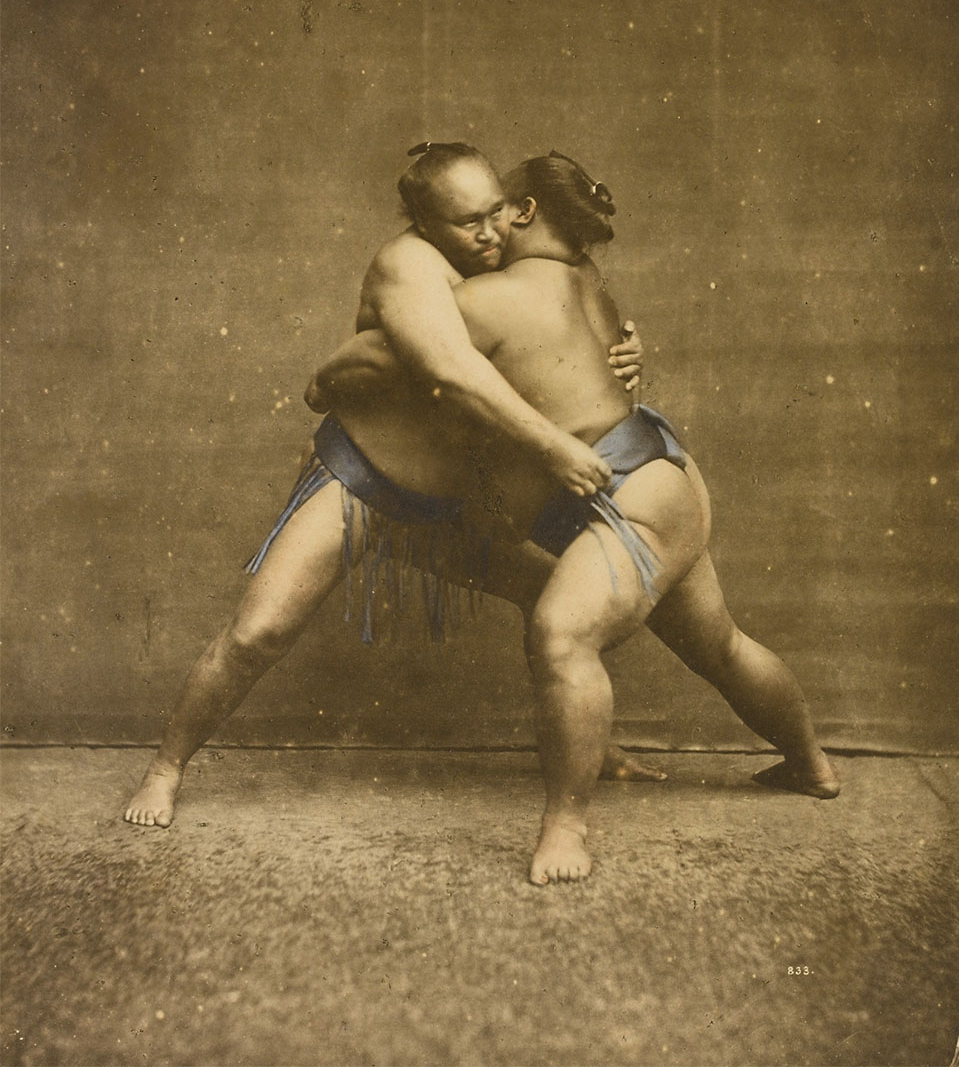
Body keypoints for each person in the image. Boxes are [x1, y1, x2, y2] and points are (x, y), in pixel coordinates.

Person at [316, 151, 840, 886]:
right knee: (717, 645)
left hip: (624, 498)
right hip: (660, 479)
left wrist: (319, 383)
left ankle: (565, 829)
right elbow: (609, 354)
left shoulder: (487, 301)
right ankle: (810, 764)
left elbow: (379, 360)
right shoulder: (590, 285)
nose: (488, 227)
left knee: (559, 635)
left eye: (498, 209)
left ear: (525, 211)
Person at [124, 144, 656, 831]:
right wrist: (552, 447)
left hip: (452, 505)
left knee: (558, 601)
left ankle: (589, 745)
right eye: (468, 223)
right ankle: (164, 768)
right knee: (260, 632)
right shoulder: (410, 266)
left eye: (496, 211)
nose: (491, 234)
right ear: (424, 226)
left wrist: (629, 354)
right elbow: (449, 370)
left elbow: (575, 334)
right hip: (364, 483)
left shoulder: (512, 261)